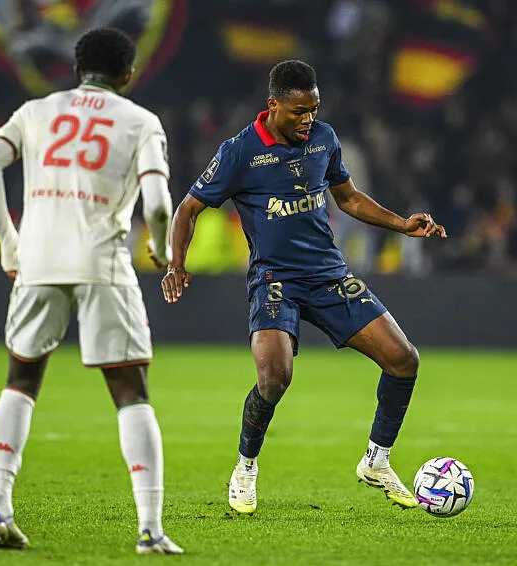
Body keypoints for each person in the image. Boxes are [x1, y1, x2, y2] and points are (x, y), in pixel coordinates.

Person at [162, 60, 447, 514]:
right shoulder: (240, 151)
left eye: (313, 109)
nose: (307, 119)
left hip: (328, 275)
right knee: (275, 378)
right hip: (275, 279)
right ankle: (245, 466)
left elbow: (348, 198)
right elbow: (188, 209)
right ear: (273, 105)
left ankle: (376, 460)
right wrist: (177, 264)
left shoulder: (323, 139)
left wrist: (401, 225)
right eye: (299, 111)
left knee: (403, 359)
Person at [0, 27, 182, 554]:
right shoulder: (140, 121)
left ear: (76, 69)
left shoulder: (36, 110)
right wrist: (162, 248)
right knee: (131, 391)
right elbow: (159, 204)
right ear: (128, 74)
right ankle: (150, 529)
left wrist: (9, 241)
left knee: (21, 380)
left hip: (38, 258)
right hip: (101, 260)